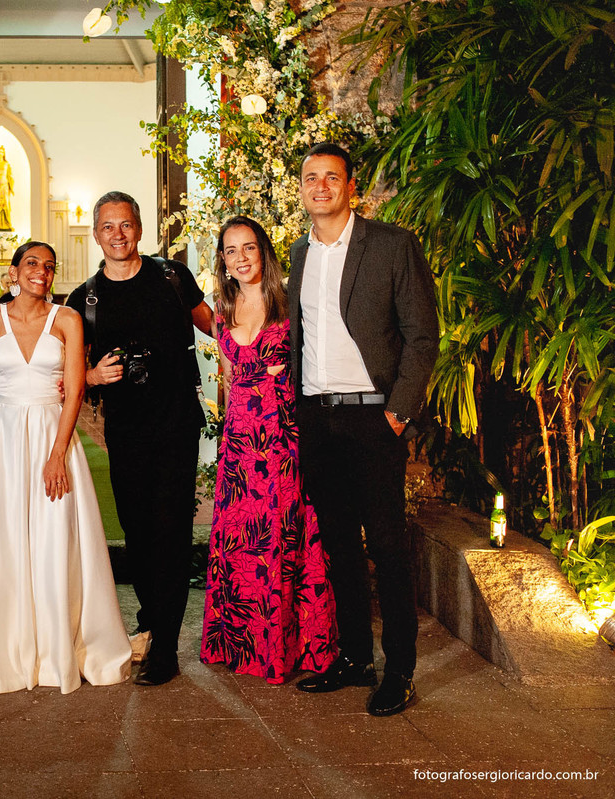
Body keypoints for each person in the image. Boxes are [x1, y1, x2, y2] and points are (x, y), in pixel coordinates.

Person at [289, 143, 437, 716]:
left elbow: (422, 334)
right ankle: (355, 659)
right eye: (311, 178)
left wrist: (397, 411)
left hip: (373, 415)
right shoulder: (298, 253)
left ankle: (399, 669)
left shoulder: (392, 245)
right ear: (301, 189)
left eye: (331, 177)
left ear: (351, 186)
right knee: (339, 548)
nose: (320, 186)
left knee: (388, 546)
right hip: (318, 419)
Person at [0, 242, 132, 693]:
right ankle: (12, 643)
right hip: (3, 439)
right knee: (8, 535)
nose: (42, 272)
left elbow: (75, 389)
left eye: (49, 266)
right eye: (33, 264)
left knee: (54, 535)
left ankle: (60, 644)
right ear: (14, 271)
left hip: (52, 434)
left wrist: (57, 453)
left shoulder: (67, 320)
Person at [65, 191, 213, 686]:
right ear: (95, 234)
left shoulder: (172, 277)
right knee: (137, 528)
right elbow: (66, 373)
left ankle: (165, 646)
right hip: (124, 431)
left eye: (126, 225)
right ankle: (151, 621)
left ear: (140, 228)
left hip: (176, 423)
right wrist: (93, 376)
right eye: (108, 227)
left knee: (170, 528)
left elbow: (220, 327)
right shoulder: (84, 298)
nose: (118, 234)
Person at [199, 216, 338, 684]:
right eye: (231, 250)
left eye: (249, 248)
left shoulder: (289, 302)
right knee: (241, 536)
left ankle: (284, 649)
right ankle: (242, 646)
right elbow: (231, 377)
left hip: (282, 437)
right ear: (223, 259)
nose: (241, 258)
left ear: (264, 252)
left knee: (280, 533)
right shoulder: (222, 309)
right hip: (240, 443)